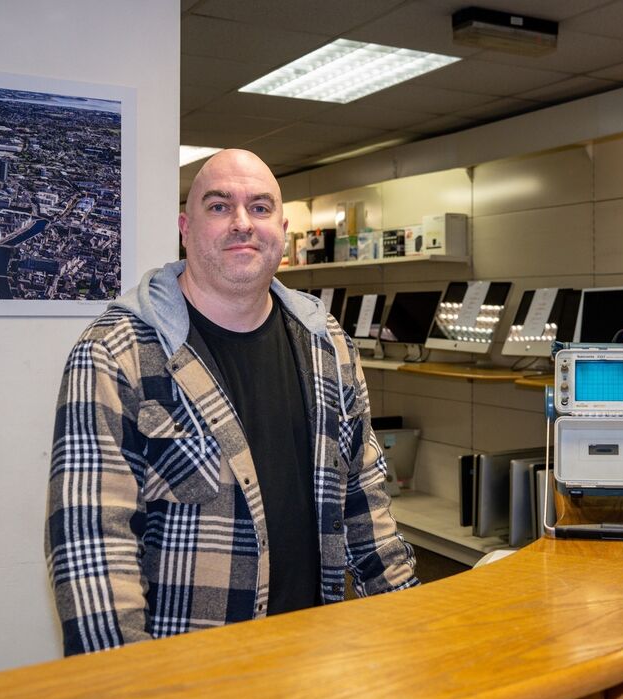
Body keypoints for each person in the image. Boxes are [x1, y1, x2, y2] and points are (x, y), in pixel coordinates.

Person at [46, 149, 417, 656]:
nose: (243, 223)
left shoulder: (327, 345)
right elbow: (91, 548)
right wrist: (125, 697)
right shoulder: (115, 355)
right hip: (187, 680)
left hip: (312, 660)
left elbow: (364, 502)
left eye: (260, 208)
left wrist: (414, 630)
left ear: (281, 229)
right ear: (185, 226)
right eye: (219, 207)